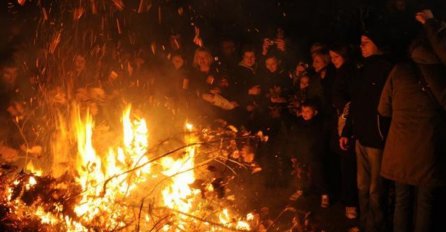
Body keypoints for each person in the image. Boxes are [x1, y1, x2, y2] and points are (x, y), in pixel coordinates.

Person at [378, 15, 446, 232]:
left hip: (399, 150)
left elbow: (383, 109)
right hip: (428, 149)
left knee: (402, 200)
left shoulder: (399, 70)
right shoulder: (442, 73)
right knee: (425, 203)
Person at [340, 32, 393, 232]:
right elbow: (355, 103)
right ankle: (366, 224)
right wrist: (347, 131)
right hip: (360, 138)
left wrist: (383, 133)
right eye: (360, 43)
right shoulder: (361, 71)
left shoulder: (387, 70)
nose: (361, 46)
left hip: (377, 140)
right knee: (362, 186)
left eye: (366, 43)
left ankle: (377, 227)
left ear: (377, 45)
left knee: (376, 190)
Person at [329, 44, 358, 220]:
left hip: (348, 122)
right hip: (342, 120)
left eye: (336, 57)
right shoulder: (340, 73)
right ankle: (348, 199)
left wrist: (345, 110)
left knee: (349, 164)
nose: (333, 61)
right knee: (345, 162)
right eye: (331, 58)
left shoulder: (350, 73)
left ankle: (351, 203)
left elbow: (350, 100)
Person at [288, 101, 330, 208]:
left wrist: (318, 152)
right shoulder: (299, 123)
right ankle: (301, 189)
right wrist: (293, 153)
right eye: (303, 111)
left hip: (315, 154)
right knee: (300, 173)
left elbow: (322, 141)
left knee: (319, 174)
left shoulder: (319, 124)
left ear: (315, 112)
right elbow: (294, 139)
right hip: (301, 153)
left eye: (308, 111)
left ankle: (324, 194)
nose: (305, 114)